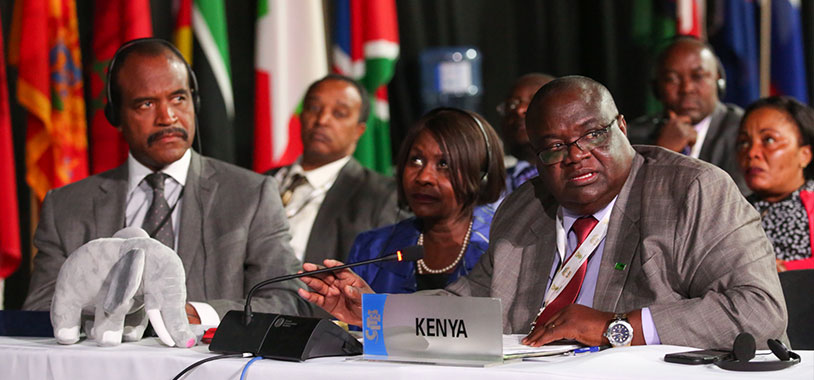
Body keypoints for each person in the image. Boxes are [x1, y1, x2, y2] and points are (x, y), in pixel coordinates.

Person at [298, 76, 787, 350]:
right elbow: (466, 310)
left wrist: (617, 325)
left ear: (621, 126)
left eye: (593, 135)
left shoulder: (693, 191)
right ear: (535, 156)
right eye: (553, 147)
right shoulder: (525, 209)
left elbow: (761, 313)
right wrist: (377, 315)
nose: (575, 156)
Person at [23, 39, 310, 324]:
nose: (168, 116)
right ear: (116, 117)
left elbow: (288, 300)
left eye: (178, 99)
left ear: (194, 101)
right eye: (146, 104)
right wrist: (116, 313)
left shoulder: (250, 195)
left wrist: (198, 315)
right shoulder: (65, 207)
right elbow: (40, 307)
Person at [347, 108, 505, 293]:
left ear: (481, 175)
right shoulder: (371, 248)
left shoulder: (502, 247)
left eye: (443, 164)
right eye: (416, 160)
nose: (424, 177)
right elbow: (350, 321)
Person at [270, 75, 399, 264]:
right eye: (314, 108)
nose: (322, 120)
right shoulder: (263, 181)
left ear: (359, 131)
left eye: (339, 113)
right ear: (301, 115)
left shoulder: (382, 195)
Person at [628, 37, 748, 194]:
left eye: (698, 76)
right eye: (672, 79)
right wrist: (662, 152)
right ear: (656, 88)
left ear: (718, 80)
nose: (687, 88)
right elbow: (624, 204)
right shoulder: (633, 136)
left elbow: (740, 205)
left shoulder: (743, 132)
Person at [737, 96, 814, 271]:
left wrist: (785, 270)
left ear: (804, 155)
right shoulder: (733, 211)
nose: (751, 153)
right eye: (743, 142)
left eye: (769, 140)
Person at [498, 73, 554, 193]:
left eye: (534, 100)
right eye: (512, 104)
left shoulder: (579, 175)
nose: (519, 110)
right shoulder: (489, 186)